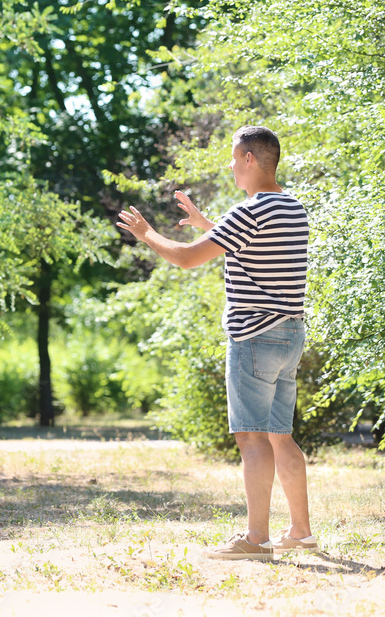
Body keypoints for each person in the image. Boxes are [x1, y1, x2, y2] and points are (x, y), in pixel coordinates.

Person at [116, 125, 317, 561]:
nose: (229, 165)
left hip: (254, 337)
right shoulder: (291, 207)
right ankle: (300, 532)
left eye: (233, 157)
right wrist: (211, 224)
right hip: (289, 333)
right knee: (280, 436)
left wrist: (147, 233)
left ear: (249, 159)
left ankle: (256, 539)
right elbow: (256, 250)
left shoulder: (249, 212)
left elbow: (188, 258)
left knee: (252, 438)